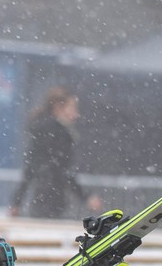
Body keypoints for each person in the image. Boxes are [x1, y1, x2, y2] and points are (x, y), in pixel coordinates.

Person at [9, 86, 101, 219]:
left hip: (41, 198)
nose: (76, 114)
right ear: (58, 108)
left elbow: (30, 169)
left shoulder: (43, 131)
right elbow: (63, 170)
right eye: (73, 108)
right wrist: (85, 197)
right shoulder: (59, 135)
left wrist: (17, 201)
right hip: (52, 199)